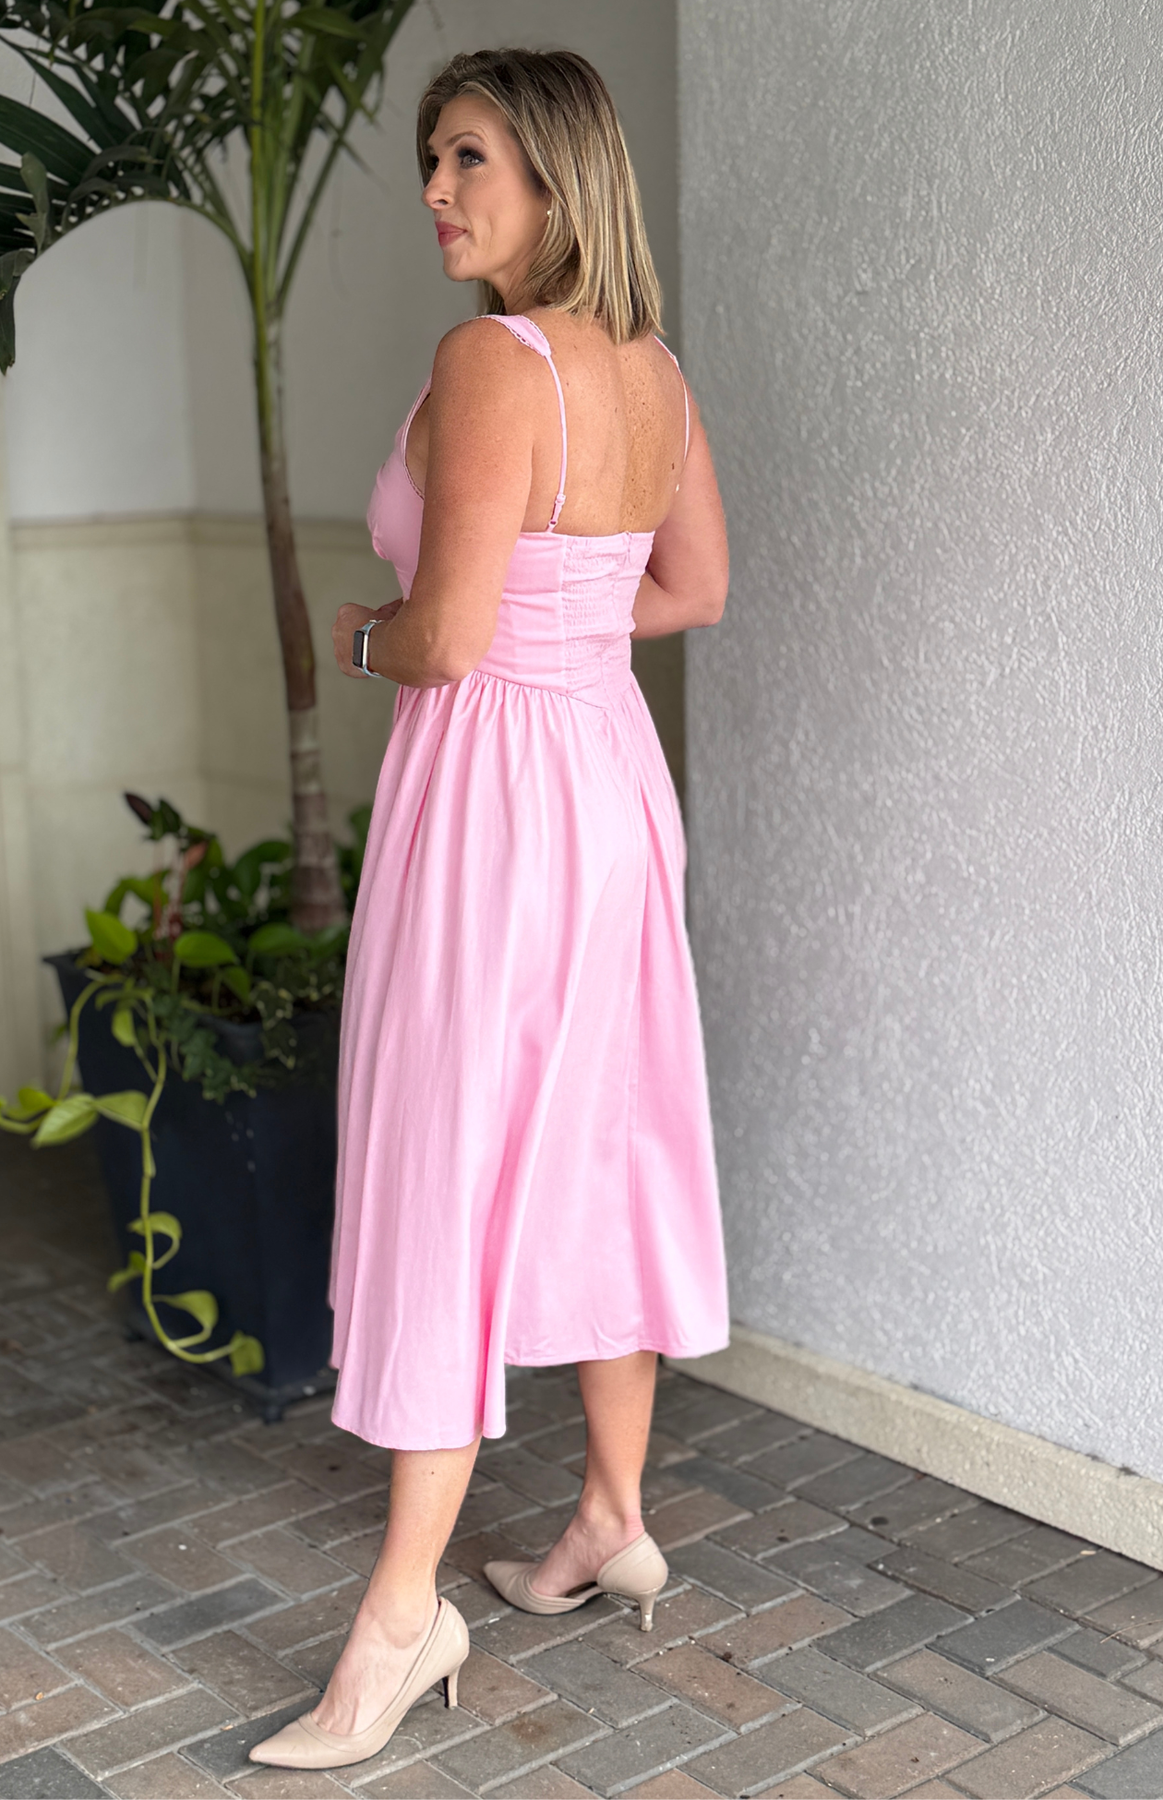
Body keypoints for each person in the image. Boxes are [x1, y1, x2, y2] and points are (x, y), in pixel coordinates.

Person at [250, 46, 731, 1772]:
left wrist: (362, 637)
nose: (437, 190)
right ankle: (612, 1512)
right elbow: (697, 585)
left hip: (492, 801)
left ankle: (405, 1616)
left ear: (555, 175)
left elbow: (443, 639)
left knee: (447, 1158)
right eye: (435, 158)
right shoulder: (653, 371)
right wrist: (567, 628)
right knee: (601, 1131)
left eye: (468, 158)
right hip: (607, 783)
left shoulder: (488, 361)